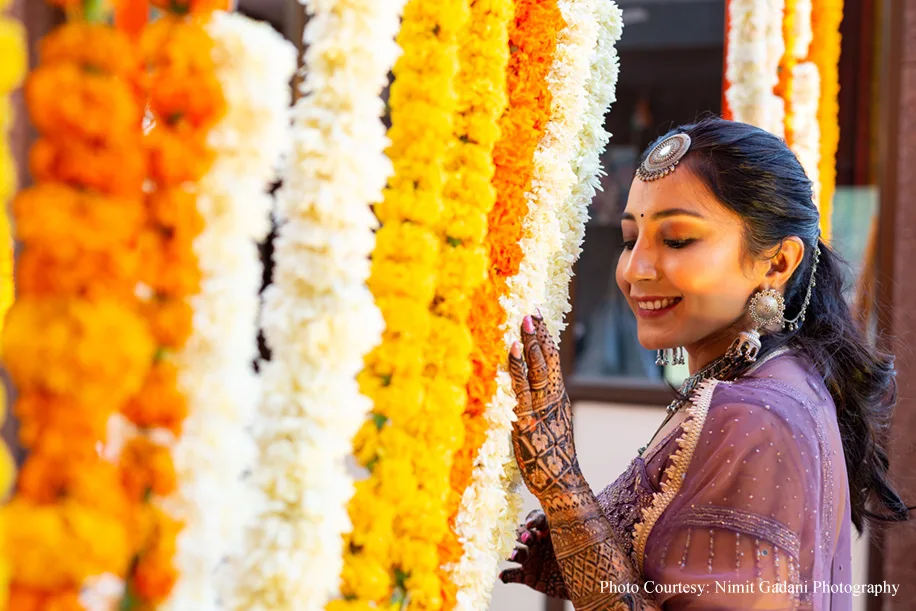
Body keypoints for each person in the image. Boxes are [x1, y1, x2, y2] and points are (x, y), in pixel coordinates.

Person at [498, 118, 912, 610]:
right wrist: (582, 555)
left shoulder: (755, 416)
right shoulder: (772, 375)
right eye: (630, 239)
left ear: (777, 263)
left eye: (676, 241)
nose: (635, 270)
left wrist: (561, 482)